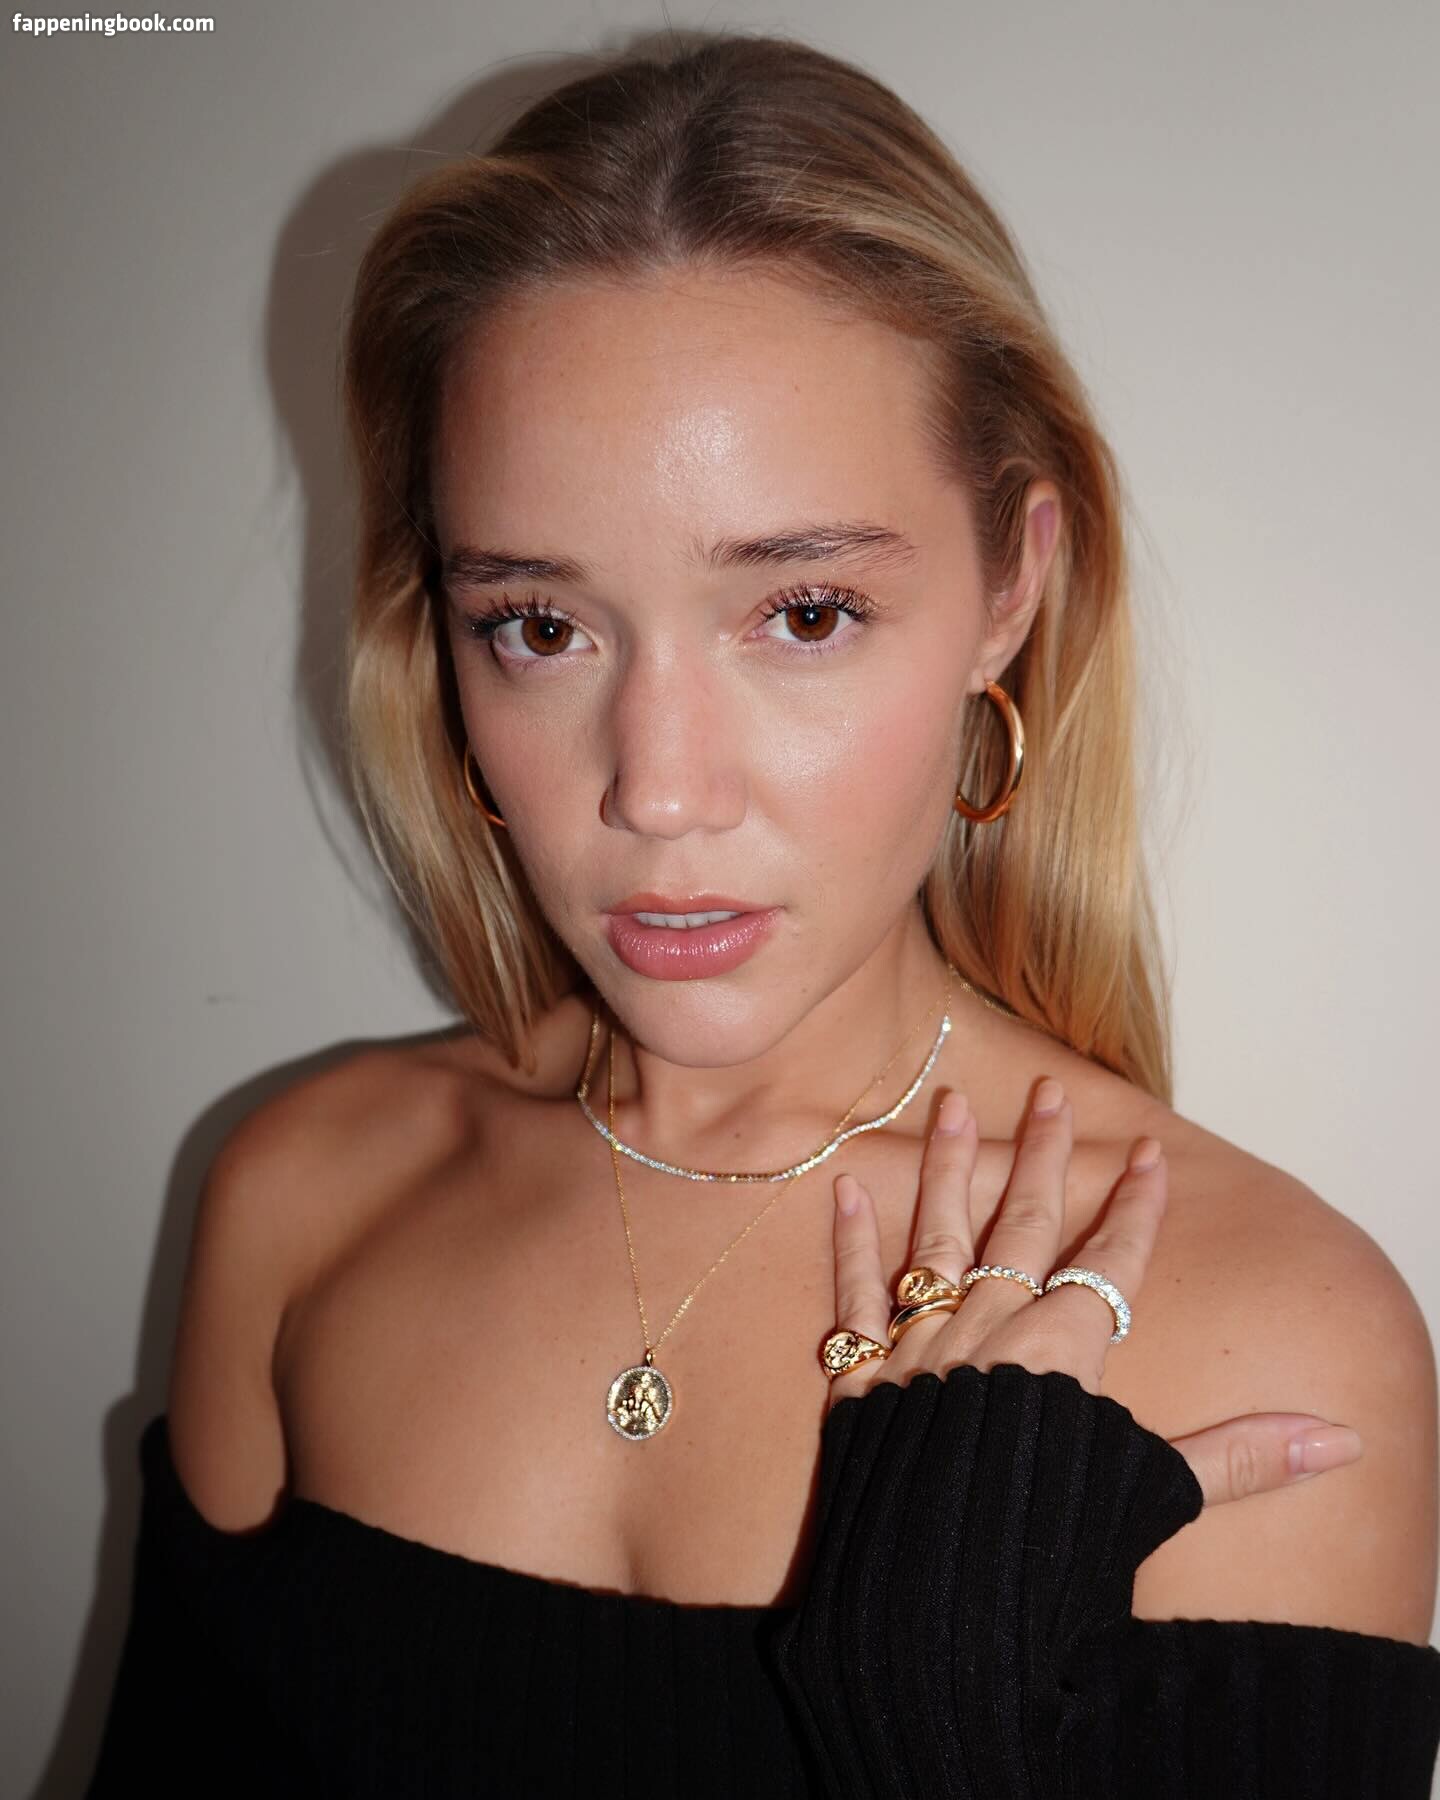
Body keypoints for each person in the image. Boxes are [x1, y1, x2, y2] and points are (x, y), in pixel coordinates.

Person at [86, 29, 1439, 1798]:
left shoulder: (1261, 1342)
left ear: (1012, 588)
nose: (658, 790)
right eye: (540, 626)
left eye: (803, 613)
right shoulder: (306, 1203)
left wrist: (938, 1723)